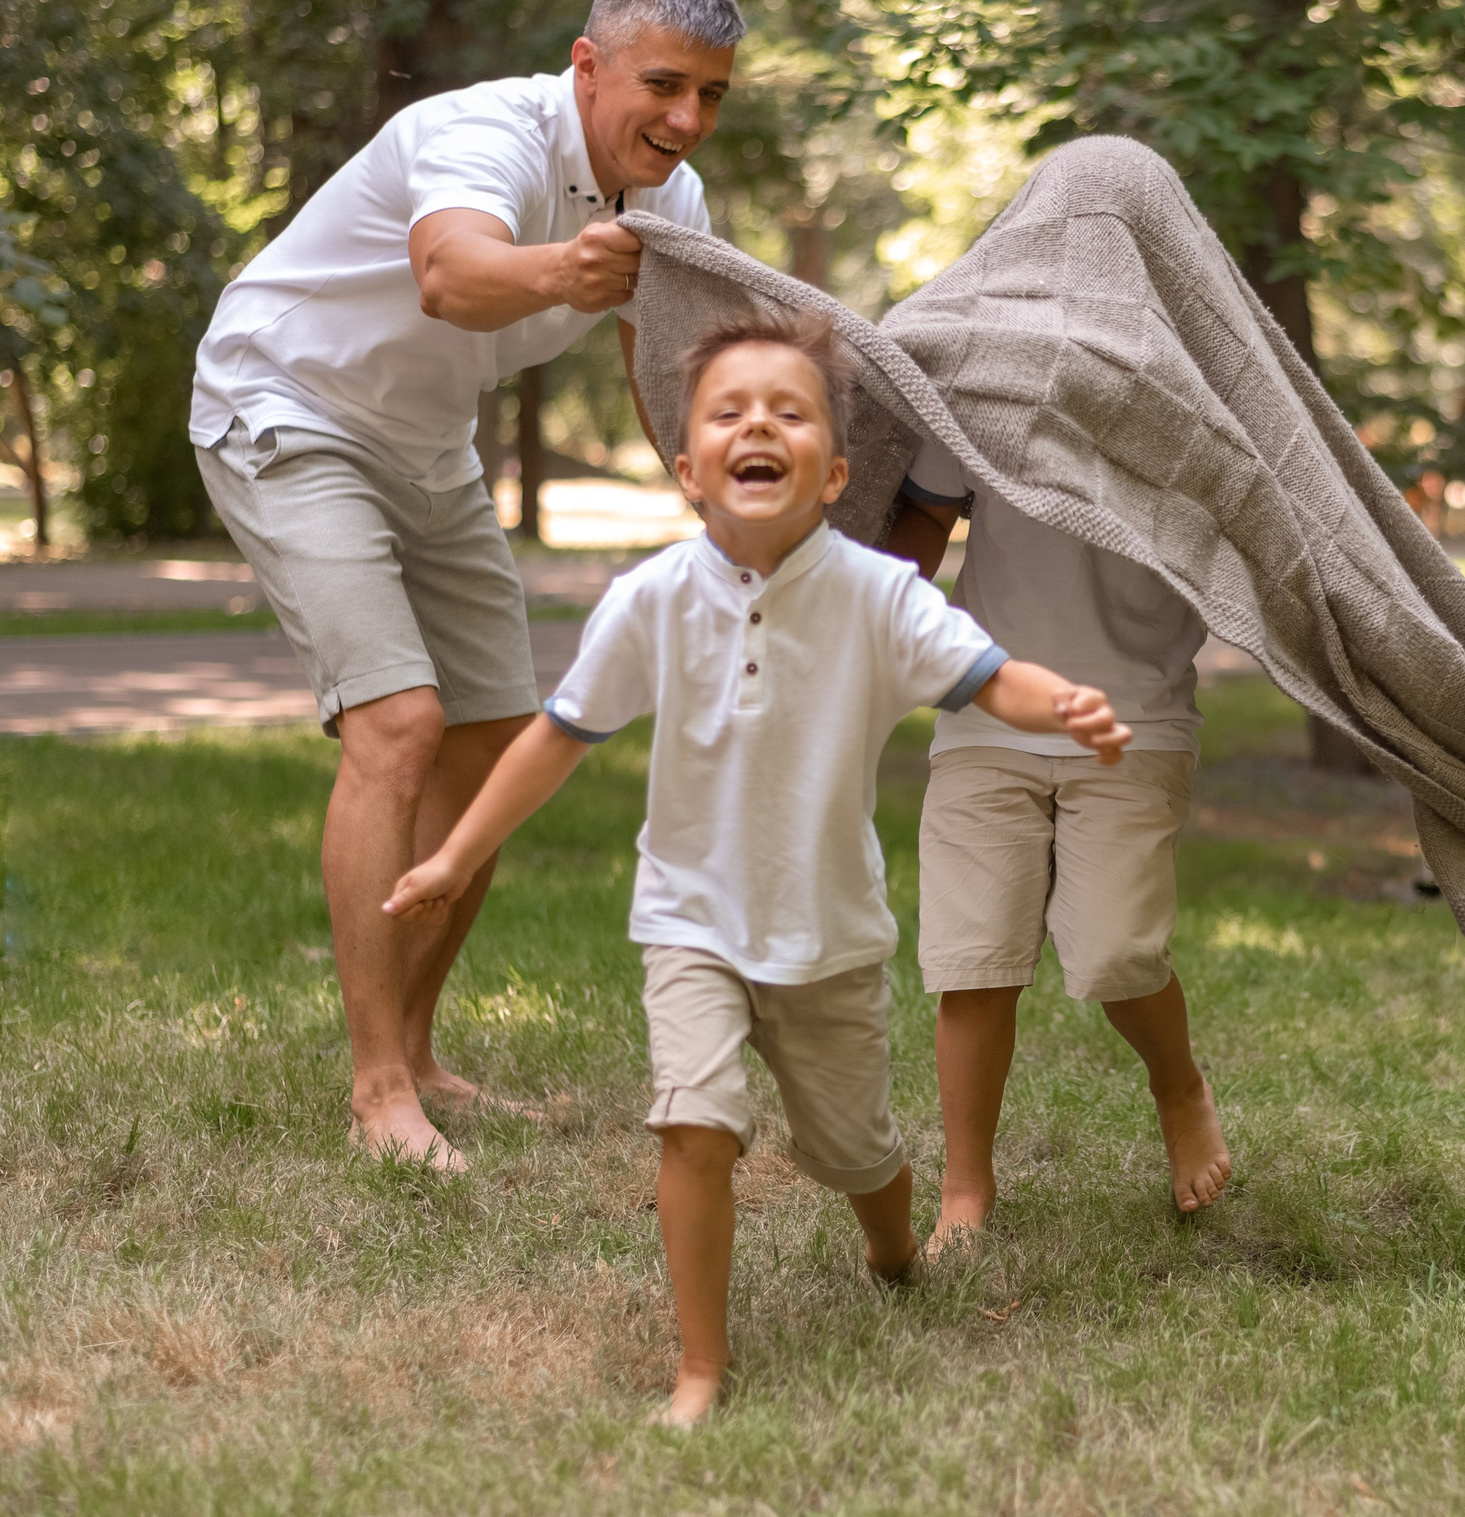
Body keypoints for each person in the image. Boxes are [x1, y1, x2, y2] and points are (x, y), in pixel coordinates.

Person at [385, 317, 1132, 1426]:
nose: (758, 426)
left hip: (827, 933)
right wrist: (454, 849)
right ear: (689, 470)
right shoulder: (651, 600)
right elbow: (554, 734)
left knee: (855, 1151)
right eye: (729, 412)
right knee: (694, 1122)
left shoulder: (880, 595)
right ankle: (699, 1365)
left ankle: (891, 1244)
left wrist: (1059, 703)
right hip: (690, 918)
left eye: (789, 412)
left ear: (832, 473)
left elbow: (985, 675)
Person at [190, 0, 742, 1169]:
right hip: (285, 398)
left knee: (499, 736)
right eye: (663, 84)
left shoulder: (673, 199)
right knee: (398, 724)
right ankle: (378, 1090)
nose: (686, 120)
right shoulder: (479, 129)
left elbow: (671, 373)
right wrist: (566, 266)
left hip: (425, 437)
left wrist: (721, 518)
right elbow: (450, 275)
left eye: (710, 95)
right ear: (587, 67)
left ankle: (420, 1048)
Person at [882, 431, 1235, 1253]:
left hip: (1135, 718)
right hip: (987, 710)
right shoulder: (985, 373)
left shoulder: (1187, 388)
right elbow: (928, 513)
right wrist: (875, 606)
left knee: (1116, 954)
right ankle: (966, 1186)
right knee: (973, 960)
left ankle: (1179, 1086)